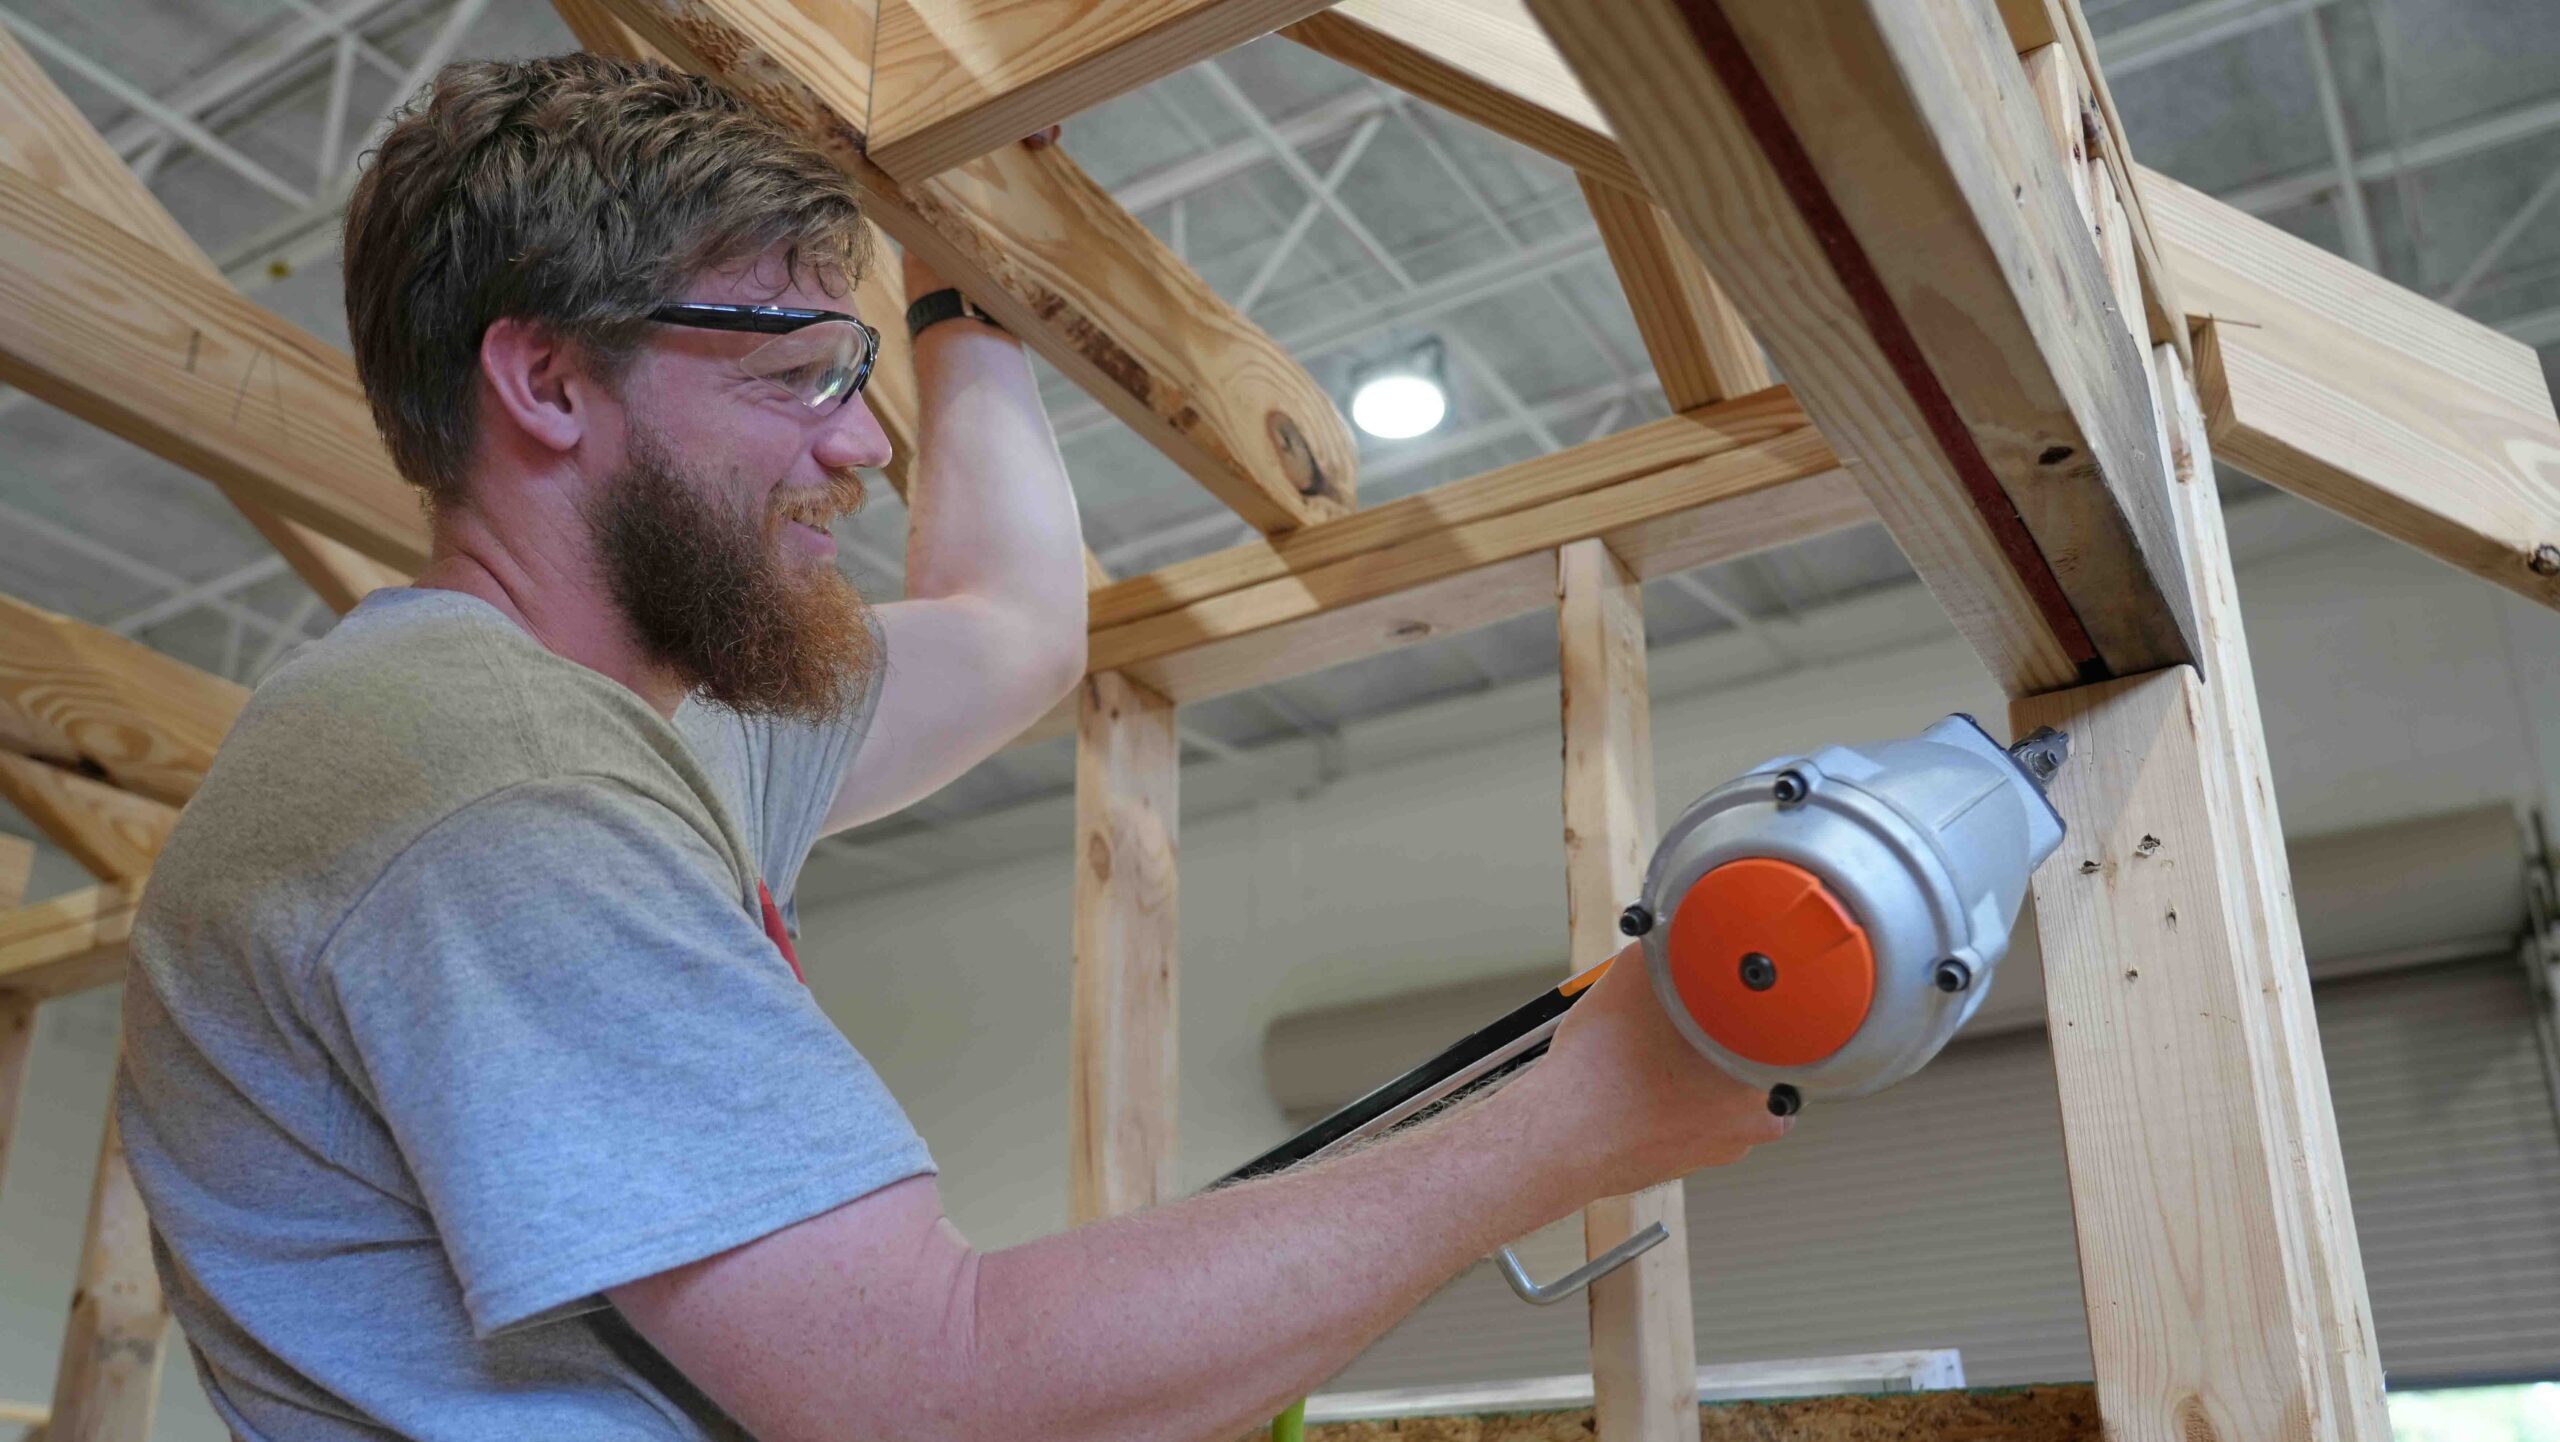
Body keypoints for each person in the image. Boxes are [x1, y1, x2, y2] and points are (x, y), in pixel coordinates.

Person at [117, 53, 1788, 1442]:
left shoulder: (657, 729)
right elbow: (934, 1385)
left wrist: (959, 284)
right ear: (547, 377)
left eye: (859, 372)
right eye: (793, 372)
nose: (861, 443)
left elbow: (1009, 623)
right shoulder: (485, 780)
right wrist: (1579, 1117)